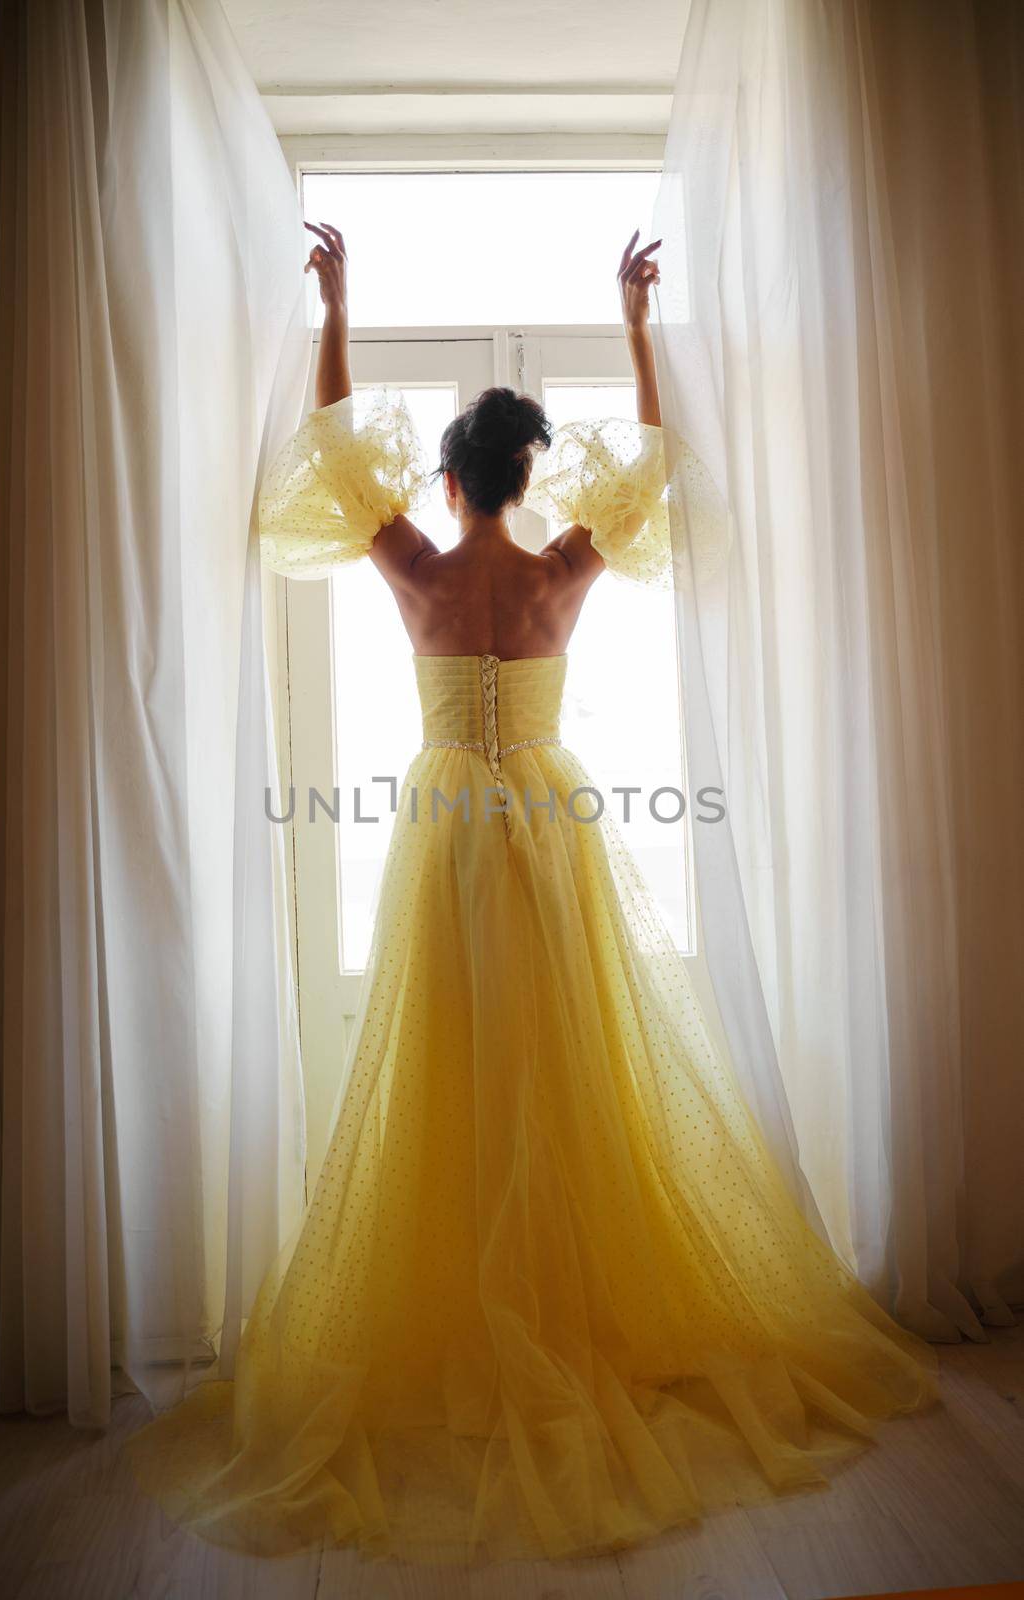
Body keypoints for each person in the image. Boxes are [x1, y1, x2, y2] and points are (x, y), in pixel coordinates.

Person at [125, 223, 939, 1564]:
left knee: (452, 1064)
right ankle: (568, 1306)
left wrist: (338, 302)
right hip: (550, 824)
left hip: (450, 827)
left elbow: (332, 454)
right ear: (518, 478)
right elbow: (652, 472)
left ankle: (492, 1309)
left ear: (449, 482)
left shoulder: (426, 574)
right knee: (572, 1064)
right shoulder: (563, 576)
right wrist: (633, 328)